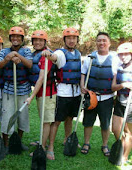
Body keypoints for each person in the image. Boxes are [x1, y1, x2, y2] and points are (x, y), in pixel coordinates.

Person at [41, 27, 81, 160]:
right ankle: (50, 147)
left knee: (70, 118)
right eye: (68, 38)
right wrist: (48, 54)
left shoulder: (78, 54)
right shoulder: (60, 53)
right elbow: (54, 57)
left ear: (77, 40)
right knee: (57, 121)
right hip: (63, 93)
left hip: (75, 93)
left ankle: (67, 139)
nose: (71, 40)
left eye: (74, 38)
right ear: (64, 40)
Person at [0, 26, 32, 151]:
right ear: (10, 38)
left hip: (23, 89)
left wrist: (17, 55)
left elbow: (30, 64)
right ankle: (6, 143)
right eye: (13, 37)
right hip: (9, 89)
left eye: (18, 37)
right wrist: (8, 58)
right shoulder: (4, 52)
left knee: (22, 116)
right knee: (7, 116)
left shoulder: (26, 51)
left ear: (22, 39)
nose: (16, 39)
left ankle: (17, 141)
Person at [80, 32, 119, 156]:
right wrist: (82, 85)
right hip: (91, 96)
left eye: (104, 40)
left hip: (107, 97)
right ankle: (86, 143)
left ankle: (105, 145)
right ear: (96, 43)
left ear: (109, 43)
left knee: (105, 123)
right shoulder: (89, 58)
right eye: (99, 40)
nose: (101, 43)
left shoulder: (115, 59)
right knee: (88, 121)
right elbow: (83, 73)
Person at [25, 30, 57, 159]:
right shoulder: (36, 55)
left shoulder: (47, 56)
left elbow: (41, 78)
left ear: (45, 42)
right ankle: (42, 142)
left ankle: (42, 148)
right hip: (41, 94)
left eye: (40, 40)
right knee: (44, 121)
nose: (37, 42)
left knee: (46, 122)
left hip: (47, 94)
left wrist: (31, 97)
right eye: (35, 40)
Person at [111, 42, 132, 163]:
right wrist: (124, 85)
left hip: (131, 104)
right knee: (115, 129)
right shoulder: (118, 68)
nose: (123, 57)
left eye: (126, 54)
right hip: (120, 102)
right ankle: (122, 145)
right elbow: (113, 87)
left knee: (128, 132)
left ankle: (124, 156)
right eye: (121, 55)